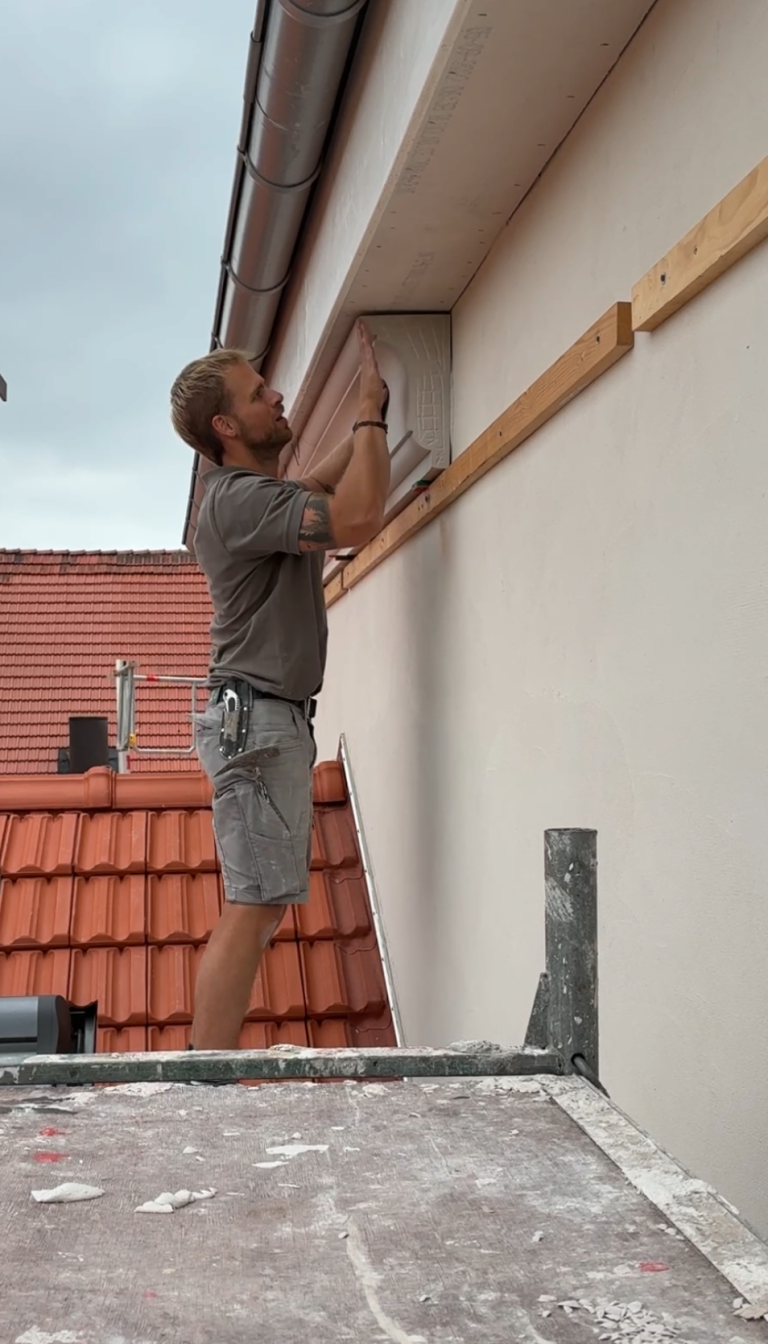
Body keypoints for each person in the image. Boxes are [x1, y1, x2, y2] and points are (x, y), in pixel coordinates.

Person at [170, 321, 390, 1050]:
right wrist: (369, 415)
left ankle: (203, 1071)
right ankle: (203, 1077)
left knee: (256, 903)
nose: (279, 395)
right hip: (258, 720)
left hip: (259, 716)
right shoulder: (235, 501)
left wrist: (363, 437)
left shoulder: (251, 497)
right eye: (261, 394)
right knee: (256, 907)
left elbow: (318, 485)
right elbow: (357, 515)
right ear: (227, 426)